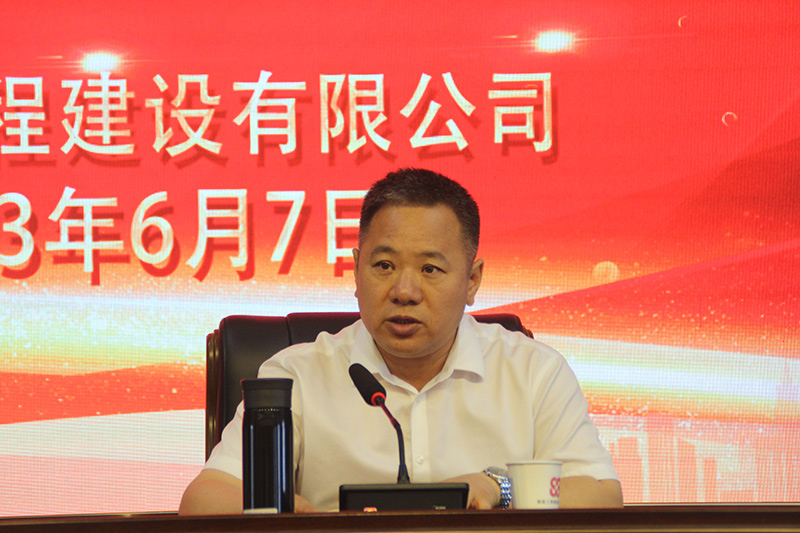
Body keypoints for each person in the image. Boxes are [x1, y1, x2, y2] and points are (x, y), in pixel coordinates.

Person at [179, 168, 623, 514]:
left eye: (430, 269)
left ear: (472, 280)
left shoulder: (532, 372)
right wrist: (298, 518)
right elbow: (205, 498)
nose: (404, 291)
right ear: (356, 270)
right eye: (384, 266)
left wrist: (498, 487)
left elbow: (600, 494)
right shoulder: (296, 375)